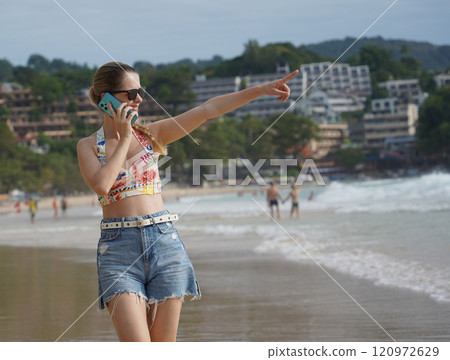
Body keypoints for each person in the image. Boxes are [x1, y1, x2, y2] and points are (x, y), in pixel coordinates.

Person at [77, 61, 297, 342]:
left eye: (140, 92)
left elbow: (208, 110)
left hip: (164, 243)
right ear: (106, 97)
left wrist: (259, 90)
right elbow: (102, 185)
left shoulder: (151, 135)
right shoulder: (88, 146)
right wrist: (122, 139)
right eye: (130, 94)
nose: (139, 99)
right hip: (119, 251)